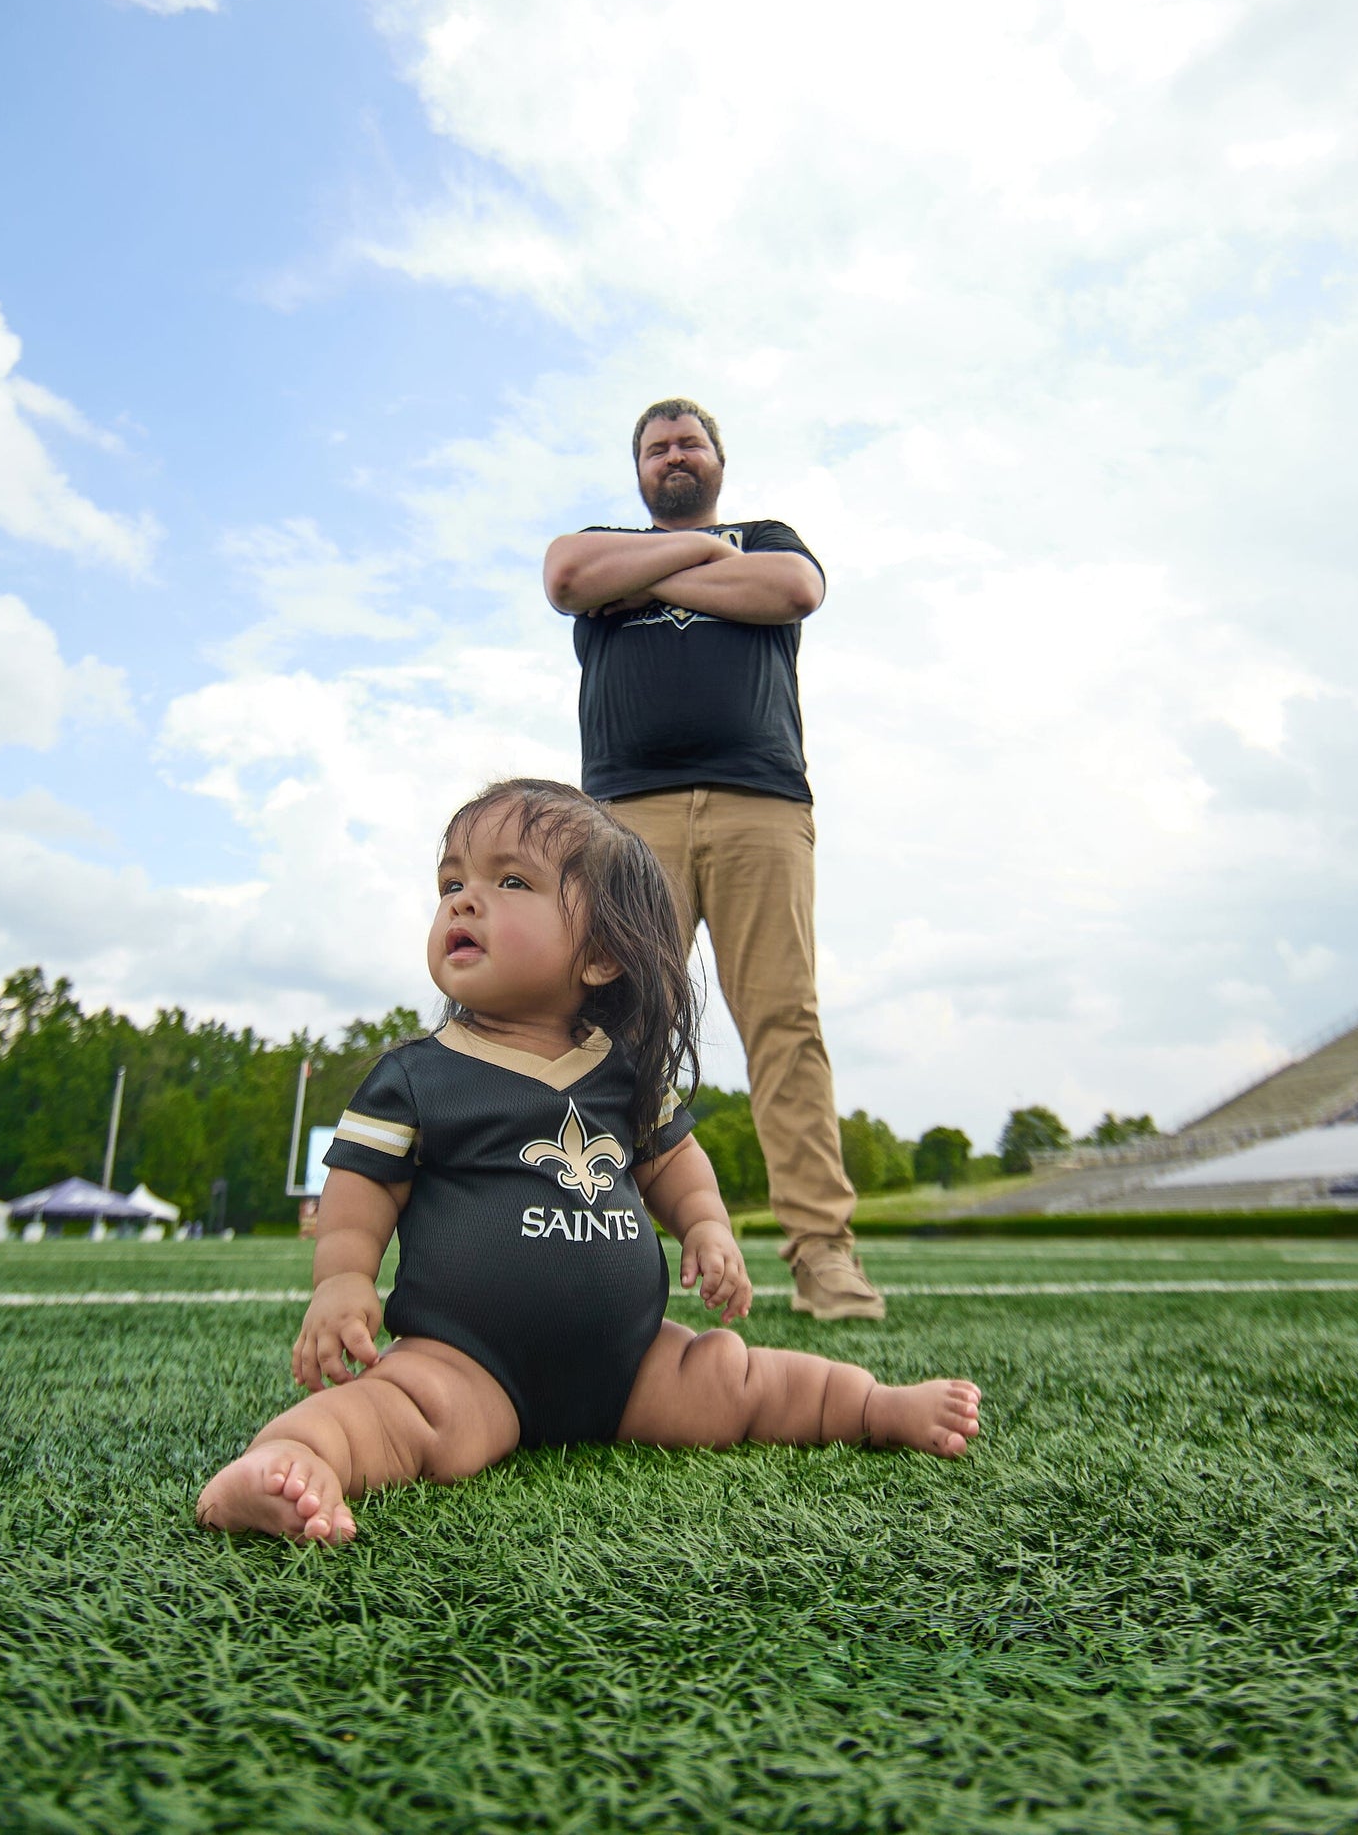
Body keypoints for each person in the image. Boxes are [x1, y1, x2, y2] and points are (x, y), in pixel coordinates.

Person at [196, 779, 980, 1544]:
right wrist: (342, 1283)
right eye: (451, 882)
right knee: (395, 1416)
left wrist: (707, 1228)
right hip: (467, 1364)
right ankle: (285, 1462)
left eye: (510, 880)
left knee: (740, 1380)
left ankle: (877, 1407)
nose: (462, 900)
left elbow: (675, 1165)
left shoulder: (624, 1069)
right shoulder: (417, 1074)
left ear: (602, 954)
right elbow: (360, 1190)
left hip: (634, 1362)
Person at [541, 400, 884, 1321]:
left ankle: (822, 1255)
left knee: (784, 1022)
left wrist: (643, 585)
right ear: (640, 472)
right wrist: (702, 566)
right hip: (623, 816)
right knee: (609, 1026)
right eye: (656, 447)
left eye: (689, 442)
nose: (673, 455)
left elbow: (794, 592)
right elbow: (567, 576)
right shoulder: (600, 541)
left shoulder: (765, 537)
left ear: (718, 461)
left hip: (759, 802)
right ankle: (594, 1250)